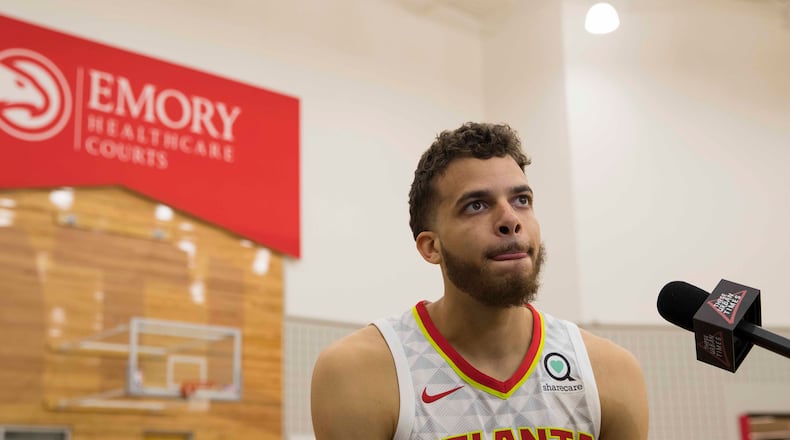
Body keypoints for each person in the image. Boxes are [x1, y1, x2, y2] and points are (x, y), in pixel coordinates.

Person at [311, 122, 649, 440]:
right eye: (476, 205)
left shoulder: (607, 371)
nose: (510, 220)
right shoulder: (361, 372)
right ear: (431, 247)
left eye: (522, 200)